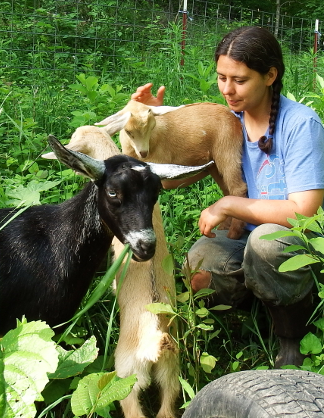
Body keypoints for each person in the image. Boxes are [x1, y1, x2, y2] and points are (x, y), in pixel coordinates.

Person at [131, 26, 324, 368]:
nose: (227, 90)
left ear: (270, 75)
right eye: (221, 77)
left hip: (298, 239)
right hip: (244, 233)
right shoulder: (223, 122)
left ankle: (291, 337)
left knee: (266, 243)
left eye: (239, 79)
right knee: (199, 263)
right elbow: (170, 182)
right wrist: (154, 131)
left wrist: (230, 204)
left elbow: (303, 211)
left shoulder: (300, 125)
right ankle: (244, 315)